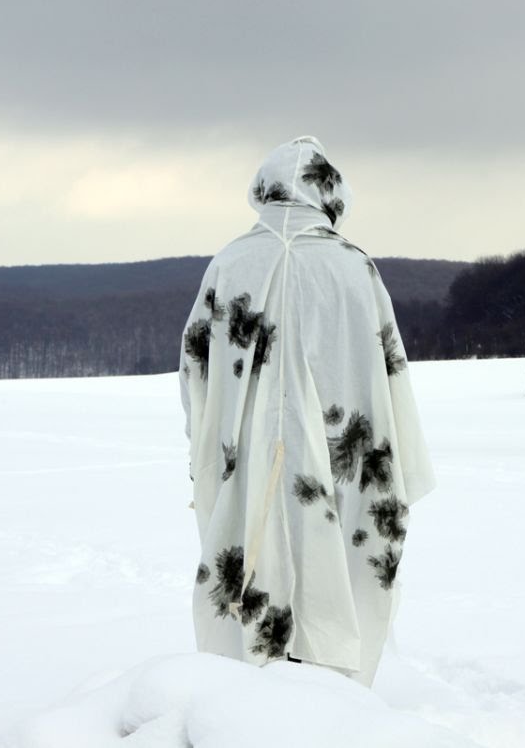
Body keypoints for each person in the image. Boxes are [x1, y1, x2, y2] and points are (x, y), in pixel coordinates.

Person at [178, 135, 436, 687]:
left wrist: (209, 452)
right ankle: (332, 700)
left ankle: (243, 701)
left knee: (245, 573)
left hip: (245, 462)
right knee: (338, 573)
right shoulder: (353, 268)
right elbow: (391, 374)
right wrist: (398, 466)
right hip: (342, 465)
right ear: (330, 193)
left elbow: (195, 373)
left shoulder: (228, 264)